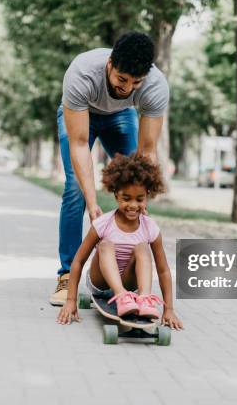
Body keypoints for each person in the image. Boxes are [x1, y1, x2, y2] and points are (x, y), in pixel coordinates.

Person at [50, 31, 169, 306]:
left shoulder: (155, 86)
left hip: (121, 116)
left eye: (135, 83)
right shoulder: (82, 72)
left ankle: (130, 277)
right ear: (110, 65)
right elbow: (80, 145)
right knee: (75, 189)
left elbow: (147, 151)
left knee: (134, 184)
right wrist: (93, 204)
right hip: (82, 113)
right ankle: (67, 274)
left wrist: (143, 198)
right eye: (121, 79)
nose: (126, 88)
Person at [56, 153, 183, 330]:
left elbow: (163, 270)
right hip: (101, 282)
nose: (133, 205)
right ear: (116, 195)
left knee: (142, 247)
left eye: (139, 199)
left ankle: (144, 298)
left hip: (130, 284)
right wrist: (70, 300)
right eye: (126, 198)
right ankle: (120, 295)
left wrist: (169, 309)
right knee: (106, 244)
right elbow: (78, 261)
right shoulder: (103, 224)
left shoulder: (150, 228)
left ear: (147, 196)